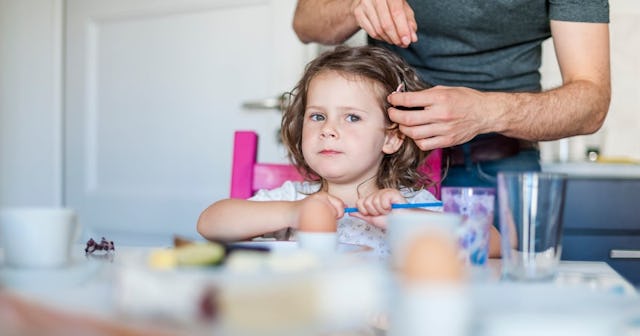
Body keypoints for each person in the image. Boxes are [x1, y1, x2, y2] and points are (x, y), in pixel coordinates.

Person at [198, 45, 501, 258]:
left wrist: (404, 220)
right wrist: (293, 213)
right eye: (317, 116)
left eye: (352, 117)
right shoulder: (294, 198)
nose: (328, 129)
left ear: (391, 138)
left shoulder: (407, 204)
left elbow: (493, 244)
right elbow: (210, 223)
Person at [291, 0, 610, 190]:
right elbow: (306, 23)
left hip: (499, 164)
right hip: (387, 165)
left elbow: (591, 102)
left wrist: (486, 112)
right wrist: (354, 4)